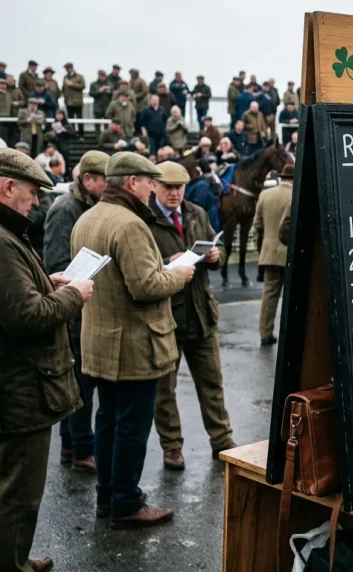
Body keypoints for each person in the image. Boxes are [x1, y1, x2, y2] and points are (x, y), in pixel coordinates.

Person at [70, 152, 195, 528]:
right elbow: (145, 286)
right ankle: (125, 502)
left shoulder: (87, 218)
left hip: (101, 341)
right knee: (131, 427)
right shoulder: (130, 224)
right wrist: (180, 274)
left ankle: (109, 497)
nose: (153, 188)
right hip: (134, 344)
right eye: (149, 181)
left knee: (107, 419)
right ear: (131, 183)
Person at [0, 149, 93, 572]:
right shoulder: (3, 241)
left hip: (15, 384)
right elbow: (27, 317)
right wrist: (73, 294)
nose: (36, 202)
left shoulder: (8, 234)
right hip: (19, 391)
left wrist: (46, 281)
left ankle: (14, 555)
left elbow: (17, 298)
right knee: (18, 493)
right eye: (32, 192)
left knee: (12, 488)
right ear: (7, 187)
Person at [148, 162, 236, 469]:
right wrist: (164, 262)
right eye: (167, 187)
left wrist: (215, 256)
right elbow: (137, 265)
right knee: (164, 390)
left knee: (212, 383)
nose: (174, 194)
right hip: (166, 319)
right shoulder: (145, 219)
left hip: (201, 314)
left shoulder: (197, 213)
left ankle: (222, 441)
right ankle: (172, 447)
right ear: (154, 186)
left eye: (179, 188)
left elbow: (218, 245)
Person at [43, 150, 109, 472]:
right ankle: (81, 449)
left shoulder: (89, 206)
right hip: (73, 310)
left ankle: (72, 446)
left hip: (84, 305)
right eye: (104, 181)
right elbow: (55, 263)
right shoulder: (64, 209)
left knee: (81, 382)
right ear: (88, 180)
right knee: (81, 383)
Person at [254, 164, 293, 345]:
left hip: (269, 254)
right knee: (292, 298)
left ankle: (265, 333)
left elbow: (258, 227)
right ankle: (290, 335)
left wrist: (261, 248)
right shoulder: (296, 195)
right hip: (291, 255)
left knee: (269, 296)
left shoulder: (265, 195)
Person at [61, 62, 85, 135]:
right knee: (70, 119)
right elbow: (63, 88)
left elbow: (83, 86)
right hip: (68, 101)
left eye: (68, 68)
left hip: (77, 102)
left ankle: (81, 134)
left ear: (71, 68)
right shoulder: (65, 77)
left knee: (79, 118)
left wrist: (72, 84)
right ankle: (73, 133)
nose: (67, 70)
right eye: (66, 68)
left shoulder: (79, 76)